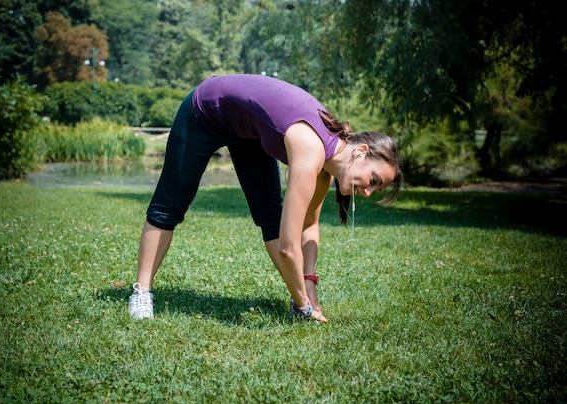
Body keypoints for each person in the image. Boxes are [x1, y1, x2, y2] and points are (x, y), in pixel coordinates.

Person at [128, 74, 403, 322]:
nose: (366, 192)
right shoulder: (311, 150)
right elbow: (288, 246)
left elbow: (308, 226)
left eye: (374, 190)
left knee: (271, 217)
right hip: (206, 110)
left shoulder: (325, 167)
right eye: (373, 181)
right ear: (361, 152)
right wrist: (303, 306)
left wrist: (308, 286)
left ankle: (300, 301)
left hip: (248, 131)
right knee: (170, 205)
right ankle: (142, 292)